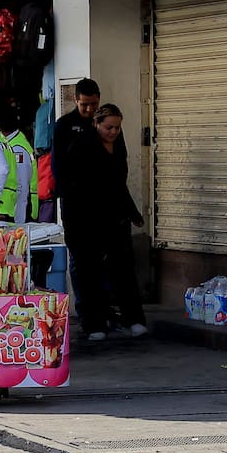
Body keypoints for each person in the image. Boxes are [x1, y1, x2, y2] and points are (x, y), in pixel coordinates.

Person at [61, 104, 148, 341]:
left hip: (115, 217)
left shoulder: (118, 145)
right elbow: (74, 186)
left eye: (117, 128)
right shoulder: (81, 146)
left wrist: (132, 212)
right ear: (96, 124)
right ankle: (94, 323)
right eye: (109, 127)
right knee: (90, 272)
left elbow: (120, 182)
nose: (113, 132)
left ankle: (134, 319)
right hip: (85, 218)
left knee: (124, 269)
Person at [51, 77, 101, 208]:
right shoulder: (64, 125)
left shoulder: (106, 124)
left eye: (94, 104)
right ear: (76, 100)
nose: (90, 109)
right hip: (73, 200)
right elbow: (57, 164)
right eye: (84, 105)